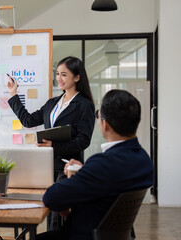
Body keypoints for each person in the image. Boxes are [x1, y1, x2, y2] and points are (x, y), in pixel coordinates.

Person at [37, 89, 154, 240]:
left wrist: (85, 173)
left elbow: (51, 198)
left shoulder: (102, 165)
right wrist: (85, 172)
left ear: (104, 124)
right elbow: (109, 185)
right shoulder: (144, 161)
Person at [7, 56, 95, 229]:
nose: (59, 79)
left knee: (58, 217)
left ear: (77, 77)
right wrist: (13, 94)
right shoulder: (52, 103)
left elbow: (83, 141)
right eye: (57, 74)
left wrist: (53, 146)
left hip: (67, 168)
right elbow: (28, 120)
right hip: (47, 167)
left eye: (64, 75)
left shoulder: (84, 105)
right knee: (49, 213)